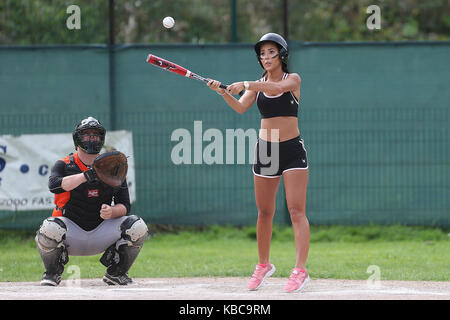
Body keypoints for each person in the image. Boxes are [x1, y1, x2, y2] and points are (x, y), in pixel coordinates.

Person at [207, 33, 310, 293]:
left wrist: (245, 83)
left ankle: (300, 270)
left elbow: (275, 89)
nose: (265, 57)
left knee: (297, 211)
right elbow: (241, 108)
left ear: (282, 55)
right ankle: (263, 265)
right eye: (262, 53)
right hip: (266, 150)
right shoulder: (256, 85)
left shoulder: (293, 79)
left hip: (292, 150)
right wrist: (222, 92)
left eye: (271, 52)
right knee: (264, 213)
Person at [35, 116, 149, 286]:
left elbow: (125, 205)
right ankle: (52, 273)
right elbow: (55, 185)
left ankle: (116, 273)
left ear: (101, 139)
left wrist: (112, 212)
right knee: (49, 227)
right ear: (77, 139)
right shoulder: (64, 165)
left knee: (137, 226)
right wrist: (85, 176)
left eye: (95, 135)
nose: (91, 139)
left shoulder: (113, 166)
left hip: (101, 232)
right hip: (70, 233)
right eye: (87, 135)